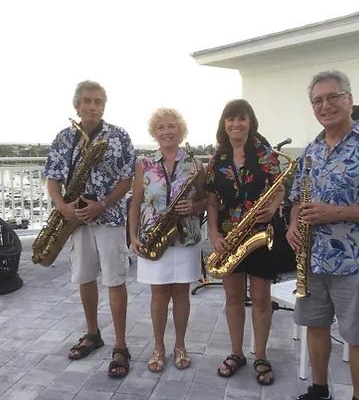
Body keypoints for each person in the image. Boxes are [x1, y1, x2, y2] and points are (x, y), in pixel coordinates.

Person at [286, 70, 359, 400]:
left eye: (332, 97)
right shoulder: (311, 149)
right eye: (317, 101)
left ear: (349, 100)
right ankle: (319, 389)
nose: (325, 106)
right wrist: (293, 225)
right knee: (316, 325)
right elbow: (298, 198)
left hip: (358, 263)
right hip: (313, 259)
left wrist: (335, 212)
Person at [43, 80, 136, 378]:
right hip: (75, 219)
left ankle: (120, 345)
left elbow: (127, 180)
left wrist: (104, 204)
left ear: (103, 106)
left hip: (107, 218)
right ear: (77, 105)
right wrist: (62, 207)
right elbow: (53, 178)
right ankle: (92, 333)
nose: (92, 106)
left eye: (97, 101)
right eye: (87, 101)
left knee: (114, 279)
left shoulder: (119, 136)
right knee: (84, 277)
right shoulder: (64, 138)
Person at [205, 99, 285, 386]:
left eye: (241, 119)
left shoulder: (266, 154)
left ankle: (260, 355)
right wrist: (214, 234)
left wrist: (275, 206)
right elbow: (212, 201)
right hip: (229, 236)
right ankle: (236, 353)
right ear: (223, 124)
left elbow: (280, 187)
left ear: (250, 122)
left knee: (262, 299)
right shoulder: (217, 159)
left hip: (261, 234)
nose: (235, 124)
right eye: (230, 119)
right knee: (234, 298)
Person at [129, 108, 206, 373]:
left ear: (180, 130)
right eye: (160, 127)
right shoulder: (144, 164)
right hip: (154, 236)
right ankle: (159, 347)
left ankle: (180, 346)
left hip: (185, 237)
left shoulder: (195, 165)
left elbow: (207, 199)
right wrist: (133, 235)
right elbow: (136, 201)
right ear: (154, 133)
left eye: (171, 126)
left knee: (182, 293)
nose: (166, 131)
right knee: (159, 294)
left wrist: (194, 206)